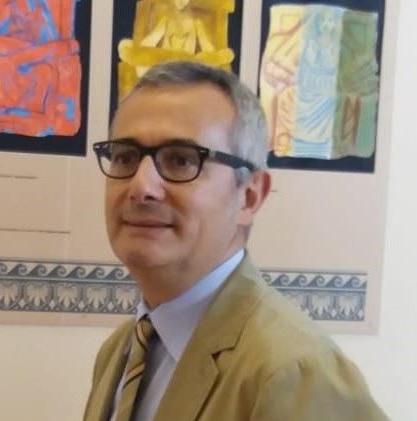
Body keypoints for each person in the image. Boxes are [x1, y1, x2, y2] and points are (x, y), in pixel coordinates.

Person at [84, 61, 388, 421]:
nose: (141, 186)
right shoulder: (120, 351)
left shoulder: (295, 372)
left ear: (249, 196)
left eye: (181, 160)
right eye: (125, 157)